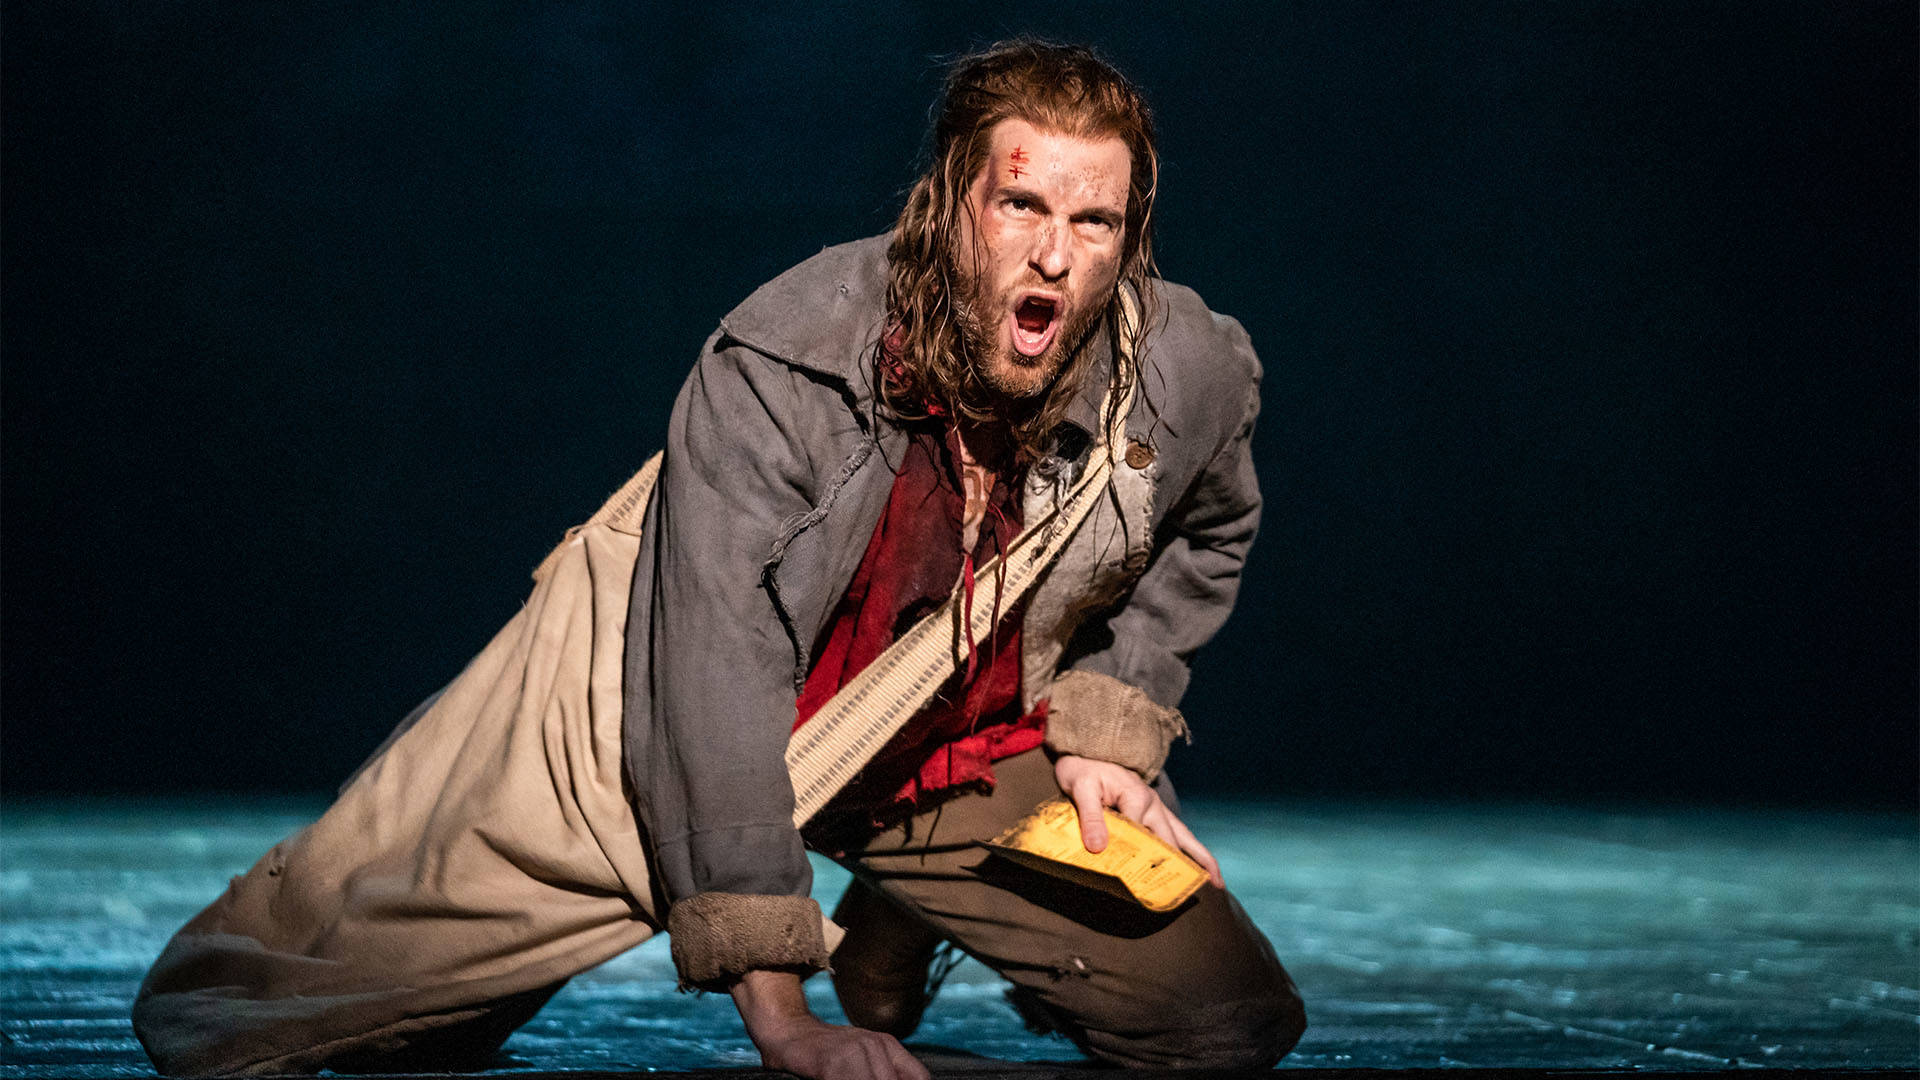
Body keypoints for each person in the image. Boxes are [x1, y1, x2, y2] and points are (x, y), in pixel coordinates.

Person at [131, 39, 1303, 1079]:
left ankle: (900, 911)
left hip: (947, 748)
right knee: (303, 1022)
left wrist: (1113, 726)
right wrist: (784, 1022)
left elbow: (1210, 524)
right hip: (675, 720)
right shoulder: (784, 365)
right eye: (1021, 206)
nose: (1053, 255)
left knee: (1225, 1024)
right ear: (952, 200)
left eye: (1093, 223)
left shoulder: (1182, 368)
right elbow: (715, 683)